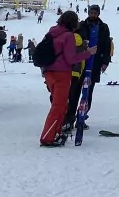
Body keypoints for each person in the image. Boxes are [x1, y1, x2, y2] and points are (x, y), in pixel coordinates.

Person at [39, 11, 95, 147]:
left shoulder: (53, 32)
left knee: (61, 104)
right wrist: (87, 53)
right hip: (61, 73)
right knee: (59, 105)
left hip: (49, 72)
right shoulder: (69, 36)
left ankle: (56, 132)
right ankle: (48, 137)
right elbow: (71, 58)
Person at [67, 5, 111, 128]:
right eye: (91, 12)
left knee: (88, 92)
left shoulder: (103, 27)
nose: (92, 15)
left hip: (95, 62)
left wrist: (105, 61)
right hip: (80, 62)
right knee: (74, 91)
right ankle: (70, 118)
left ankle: (82, 116)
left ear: (98, 14)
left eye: (95, 13)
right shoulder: (81, 25)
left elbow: (107, 44)